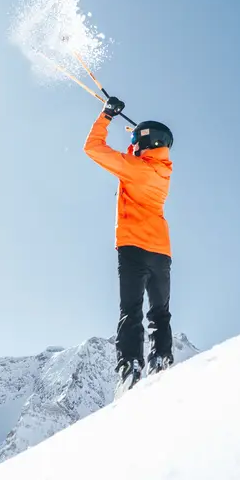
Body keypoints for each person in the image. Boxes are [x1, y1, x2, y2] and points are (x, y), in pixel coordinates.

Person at [84, 95, 175, 389]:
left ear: (146, 145)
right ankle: (161, 360)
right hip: (161, 252)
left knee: (131, 311)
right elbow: (134, 162)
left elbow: (93, 148)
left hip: (133, 248)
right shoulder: (162, 171)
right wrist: (138, 141)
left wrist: (107, 115)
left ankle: (130, 368)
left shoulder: (134, 168)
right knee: (159, 313)